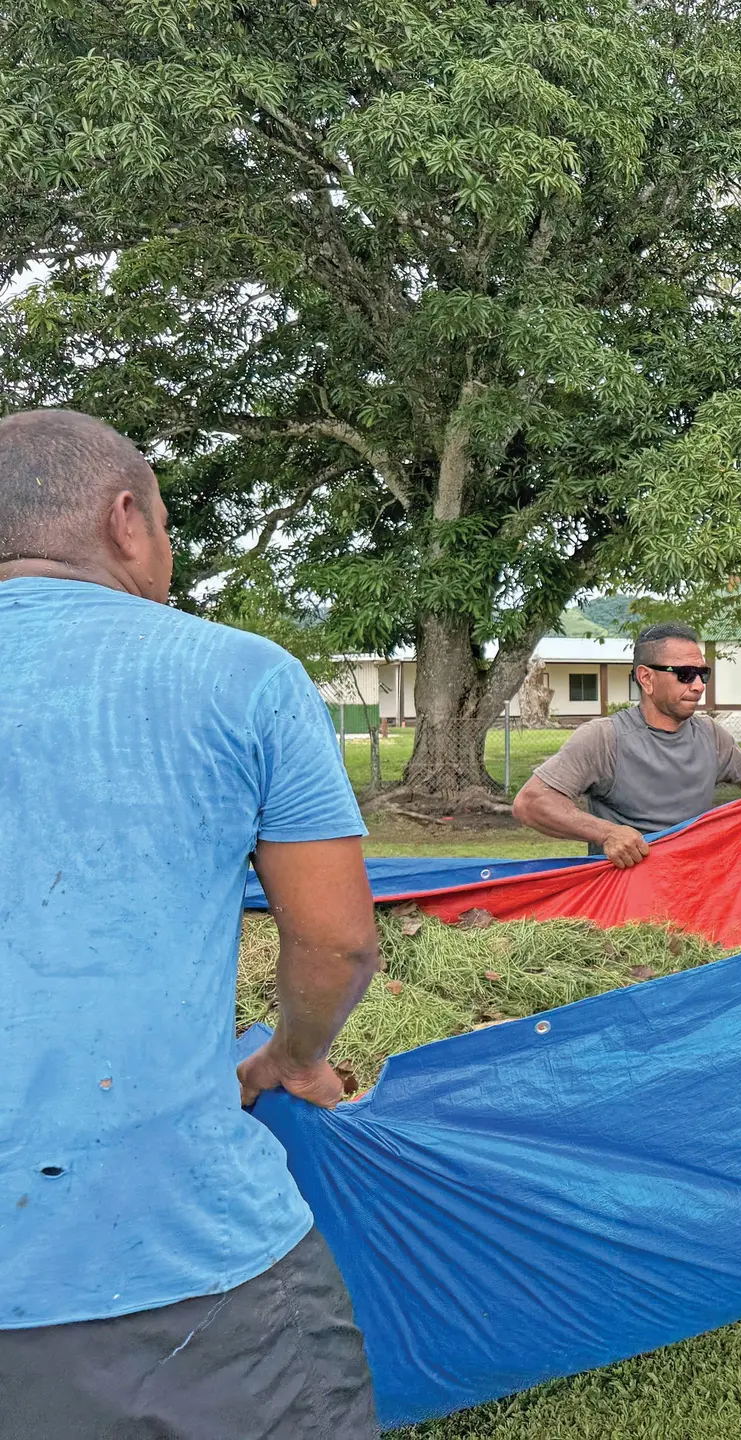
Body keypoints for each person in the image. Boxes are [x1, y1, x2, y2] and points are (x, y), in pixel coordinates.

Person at [0, 410, 383, 1436]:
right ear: (127, 521)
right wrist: (292, 1056)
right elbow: (340, 940)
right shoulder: (241, 675)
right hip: (168, 1258)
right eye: (168, 528)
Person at [513, 622, 741, 866]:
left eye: (702, 674)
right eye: (685, 674)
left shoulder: (710, 734)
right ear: (646, 678)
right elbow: (531, 803)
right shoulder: (604, 738)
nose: (698, 685)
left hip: (697, 886)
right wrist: (607, 833)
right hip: (625, 897)